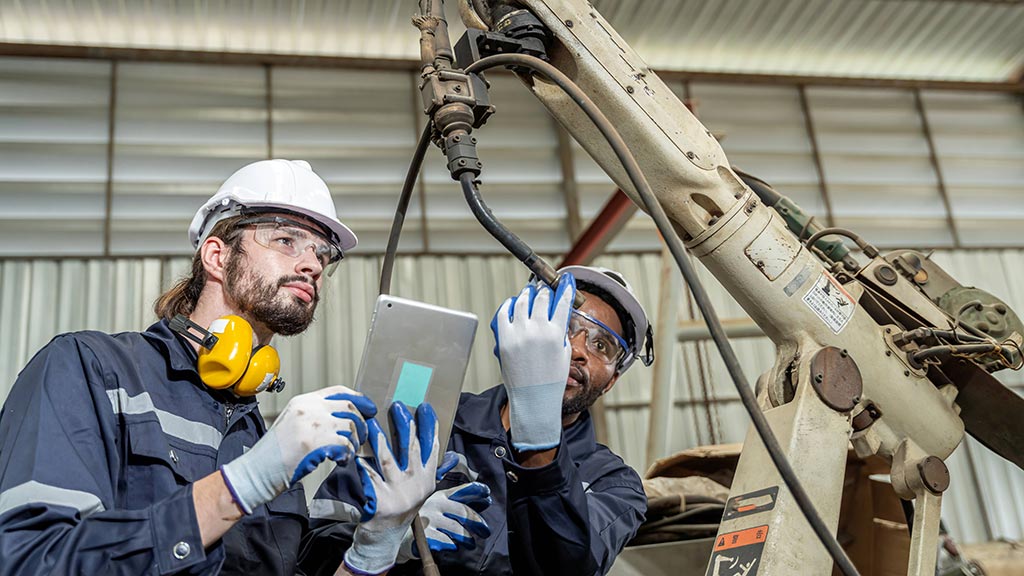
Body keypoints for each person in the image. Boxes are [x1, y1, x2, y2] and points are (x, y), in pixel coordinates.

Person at [0, 159, 439, 576]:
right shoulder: (93, 370)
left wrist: (376, 544)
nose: (312, 265)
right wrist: (241, 485)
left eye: (322, 255)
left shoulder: (266, 441)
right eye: (286, 241)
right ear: (216, 256)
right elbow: (31, 559)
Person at [304, 265, 653, 576]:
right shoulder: (427, 421)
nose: (577, 349)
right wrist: (386, 539)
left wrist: (538, 433)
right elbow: (312, 550)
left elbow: (568, 567)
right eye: (565, 325)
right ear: (527, 333)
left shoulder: (613, 484)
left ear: (611, 381)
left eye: (602, 346)